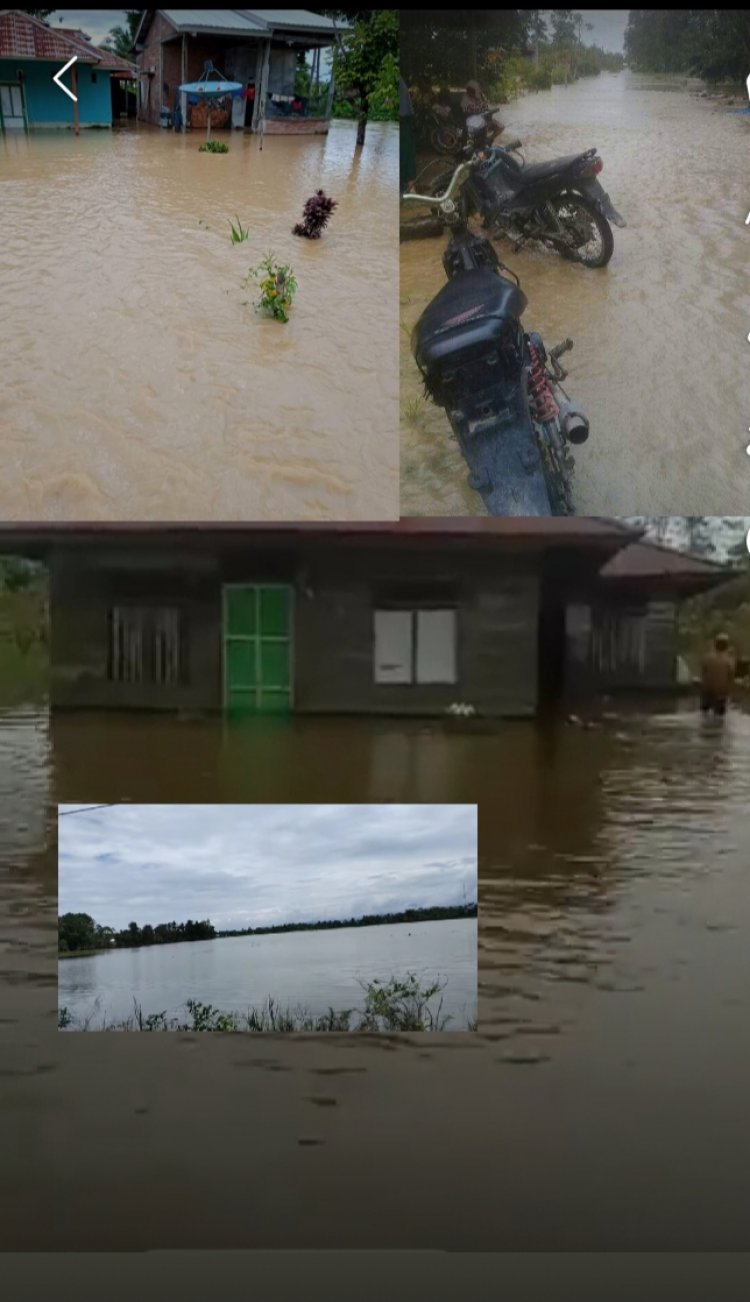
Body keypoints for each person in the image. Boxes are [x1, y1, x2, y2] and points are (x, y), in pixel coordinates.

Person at [700, 633, 736, 717]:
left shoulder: (707, 658)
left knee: (704, 715)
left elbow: (703, 674)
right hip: (720, 695)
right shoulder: (729, 661)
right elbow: (730, 679)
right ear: (727, 646)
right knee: (719, 719)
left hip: (707, 692)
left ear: (715, 645)